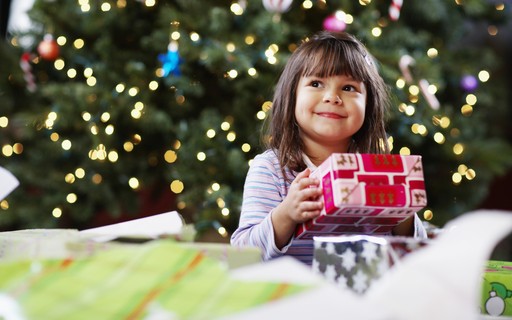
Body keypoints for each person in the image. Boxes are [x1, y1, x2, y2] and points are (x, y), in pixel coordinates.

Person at [230, 31, 427, 265]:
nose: (332, 97)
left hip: (359, 297)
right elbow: (243, 253)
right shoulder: (272, 169)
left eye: (349, 88)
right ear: (292, 96)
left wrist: (402, 215)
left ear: (368, 105)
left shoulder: (376, 172)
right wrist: (285, 215)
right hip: (292, 295)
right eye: (316, 83)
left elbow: (417, 257)